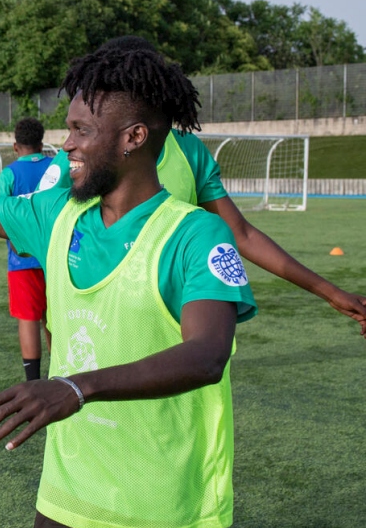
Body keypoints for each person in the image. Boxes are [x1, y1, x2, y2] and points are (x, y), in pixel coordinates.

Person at [0, 29, 257, 528]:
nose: (68, 144)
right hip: (68, 501)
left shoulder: (195, 235)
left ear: (134, 137)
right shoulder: (60, 216)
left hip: (161, 507)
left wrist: (75, 388)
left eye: (82, 130)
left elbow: (206, 355)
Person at [44, 36, 366, 337]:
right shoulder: (78, 157)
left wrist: (330, 293)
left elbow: (241, 234)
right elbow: (42, 224)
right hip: (95, 325)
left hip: (167, 330)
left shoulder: (189, 151)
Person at [0, 119, 61, 381]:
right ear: (42, 143)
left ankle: (34, 382)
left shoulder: (10, 174)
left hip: (23, 260)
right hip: (55, 256)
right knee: (54, 318)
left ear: (15, 146)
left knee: (28, 318)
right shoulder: (56, 167)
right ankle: (62, 374)